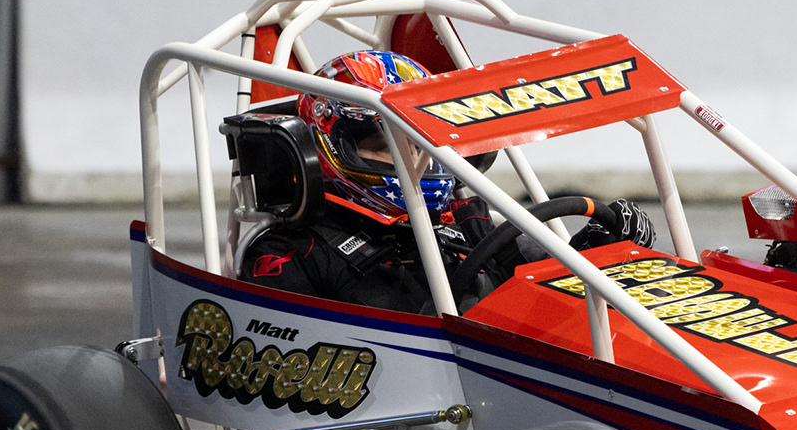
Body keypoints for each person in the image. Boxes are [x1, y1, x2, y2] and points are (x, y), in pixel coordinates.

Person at [240, 50, 654, 313]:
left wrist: (600, 255)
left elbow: (546, 302)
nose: (411, 164)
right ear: (326, 146)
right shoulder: (290, 253)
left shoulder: (467, 219)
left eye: (420, 144)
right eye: (383, 146)